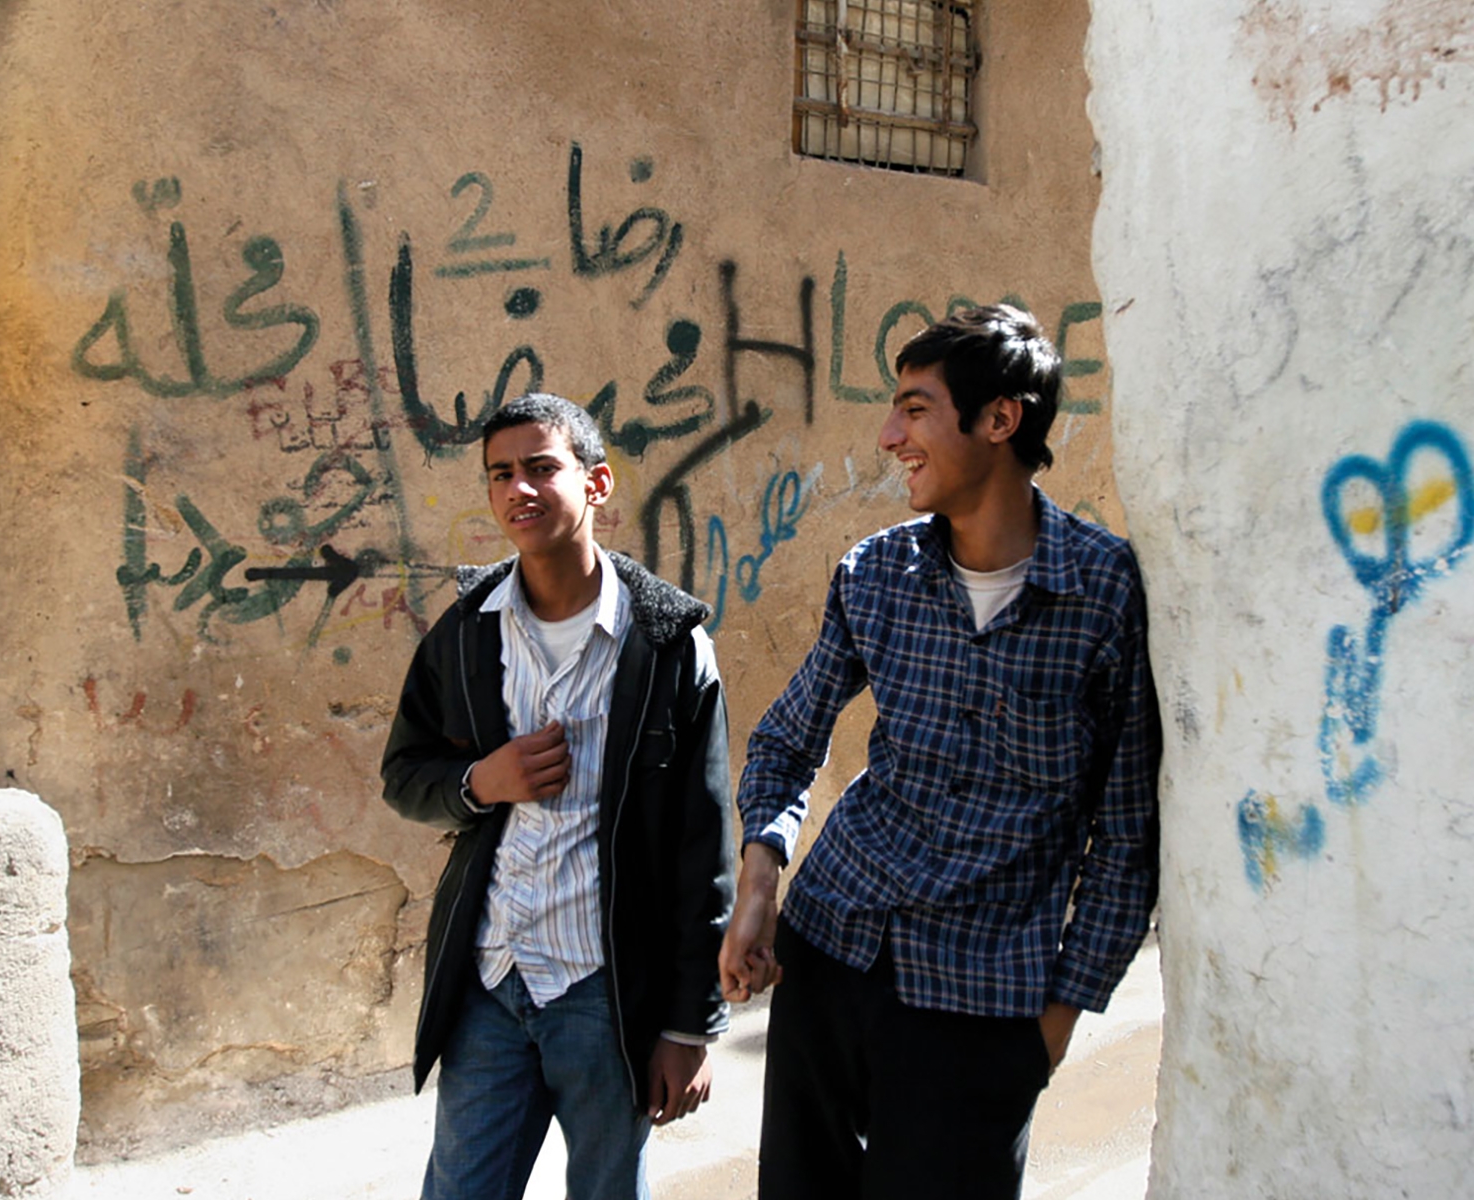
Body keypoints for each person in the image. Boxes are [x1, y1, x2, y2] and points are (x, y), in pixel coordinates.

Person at [720, 305, 1161, 1199]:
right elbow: (784, 741)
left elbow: (1126, 836)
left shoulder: (1101, 590)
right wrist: (761, 889)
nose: (889, 436)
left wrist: (1058, 1021)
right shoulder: (874, 573)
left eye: (915, 409)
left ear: (1000, 419)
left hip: (984, 1001)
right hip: (832, 957)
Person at [381, 393, 734, 1200]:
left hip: (606, 993)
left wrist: (688, 1026)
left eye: (542, 468)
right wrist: (481, 782)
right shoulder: (467, 631)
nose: (519, 490)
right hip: (491, 981)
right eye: (500, 475)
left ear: (596, 482)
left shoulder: (667, 646)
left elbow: (702, 845)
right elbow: (405, 775)